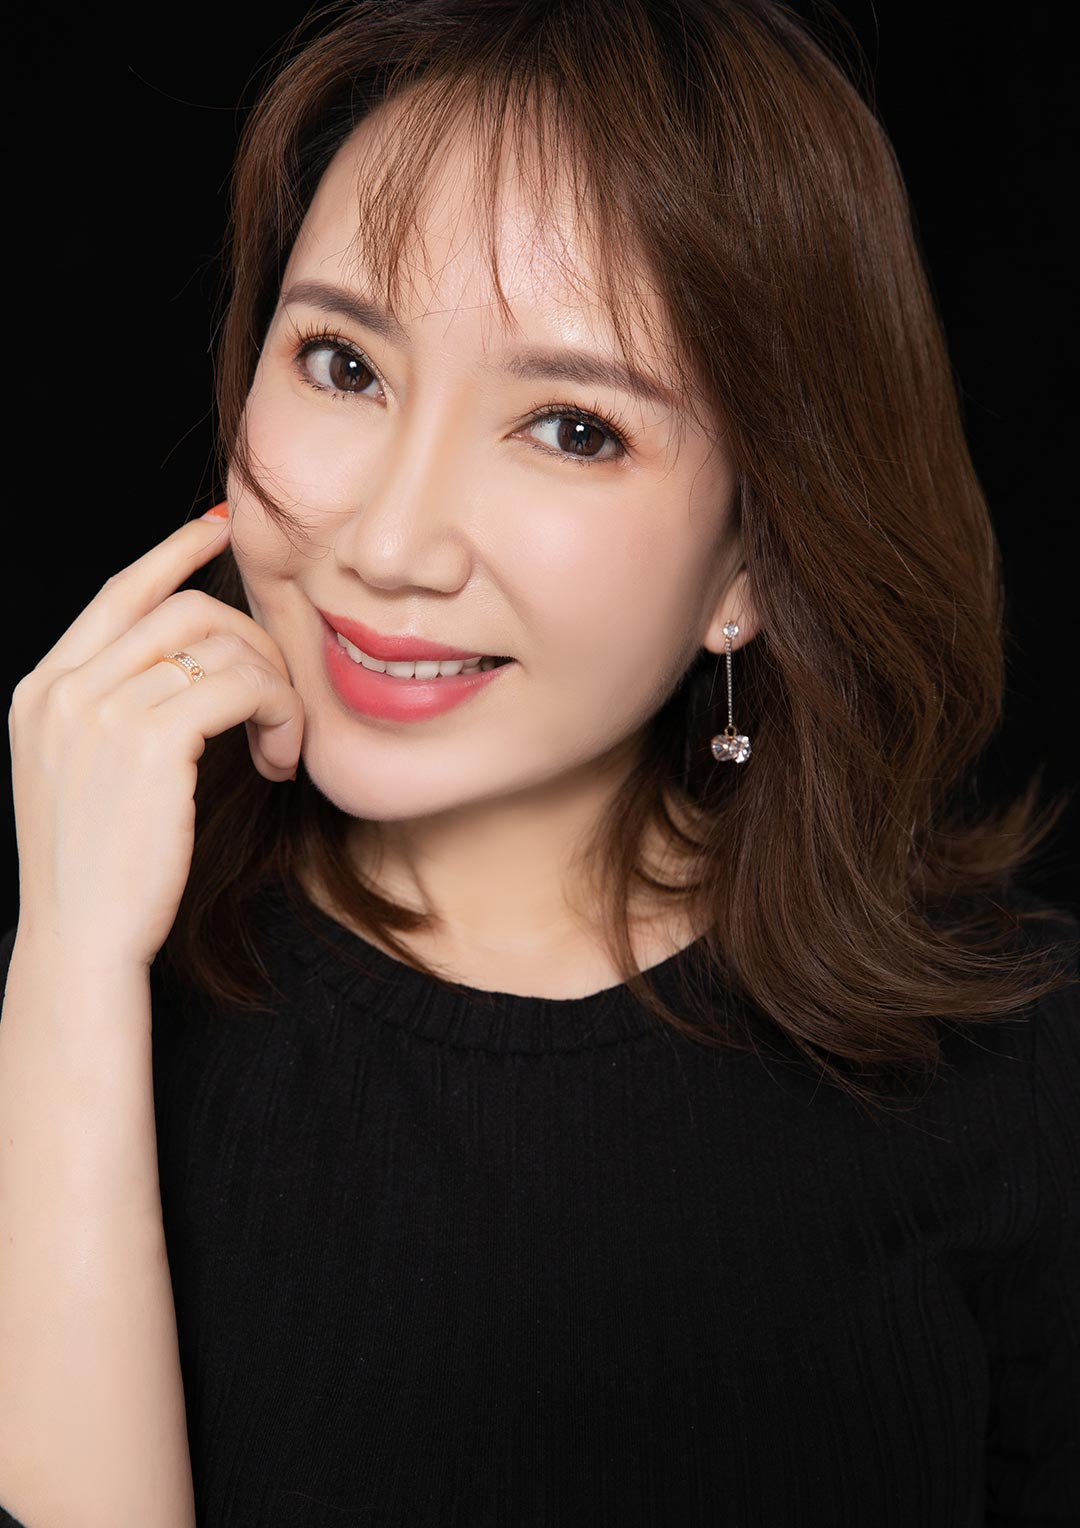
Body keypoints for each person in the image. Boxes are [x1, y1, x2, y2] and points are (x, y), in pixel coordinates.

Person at [1, 1, 1077, 1524]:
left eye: (571, 427)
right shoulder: (86, 998)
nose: (391, 543)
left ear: (752, 561)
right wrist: (67, 981)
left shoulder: (1021, 1080)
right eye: (343, 363)